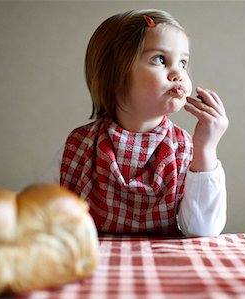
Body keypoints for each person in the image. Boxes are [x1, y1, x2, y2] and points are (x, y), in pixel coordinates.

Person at [42, 9, 229, 236]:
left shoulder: (185, 150)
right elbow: (43, 215)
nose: (178, 74)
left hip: (164, 267)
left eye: (183, 63)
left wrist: (206, 148)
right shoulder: (79, 147)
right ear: (114, 76)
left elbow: (203, 231)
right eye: (160, 59)